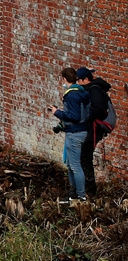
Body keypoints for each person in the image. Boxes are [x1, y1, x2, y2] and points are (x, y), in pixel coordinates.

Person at [48, 67, 90, 201]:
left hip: (75, 132)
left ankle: (81, 196)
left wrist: (57, 112)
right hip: (80, 131)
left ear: (65, 79)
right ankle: (73, 195)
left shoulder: (71, 95)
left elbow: (74, 116)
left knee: (75, 166)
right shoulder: (81, 92)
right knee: (71, 165)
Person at [76, 67, 113, 197]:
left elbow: (98, 110)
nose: (77, 84)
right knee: (83, 158)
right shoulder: (92, 89)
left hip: (93, 130)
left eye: (79, 81)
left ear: (86, 79)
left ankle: (89, 192)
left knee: (84, 158)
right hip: (89, 129)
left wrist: (82, 115)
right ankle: (87, 190)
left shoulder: (94, 90)